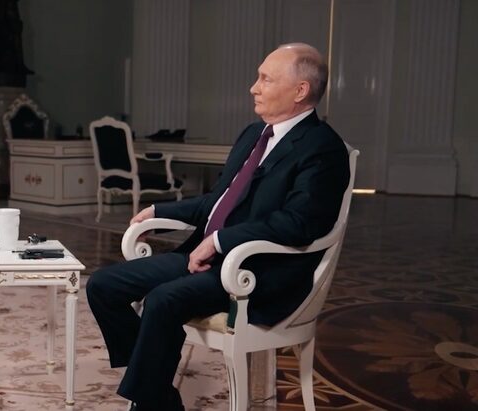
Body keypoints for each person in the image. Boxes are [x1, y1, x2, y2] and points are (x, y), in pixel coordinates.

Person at [86, 43, 350, 411]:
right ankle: (160, 396)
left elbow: (299, 224)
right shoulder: (253, 134)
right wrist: (158, 209)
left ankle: (150, 400)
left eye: (265, 79)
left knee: (163, 300)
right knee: (103, 286)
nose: (253, 88)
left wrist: (221, 240)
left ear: (300, 90)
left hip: (256, 270)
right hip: (208, 257)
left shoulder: (323, 148)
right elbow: (219, 200)